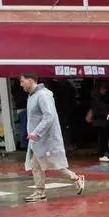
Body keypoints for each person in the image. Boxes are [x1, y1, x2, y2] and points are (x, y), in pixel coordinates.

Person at [21, 74, 85, 202]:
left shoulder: (43, 96)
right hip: (37, 139)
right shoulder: (33, 96)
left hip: (45, 139)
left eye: (22, 81)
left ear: (30, 80)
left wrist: (37, 132)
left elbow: (49, 116)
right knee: (35, 164)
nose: (21, 84)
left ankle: (76, 178)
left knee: (54, 163)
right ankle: (40, 191)